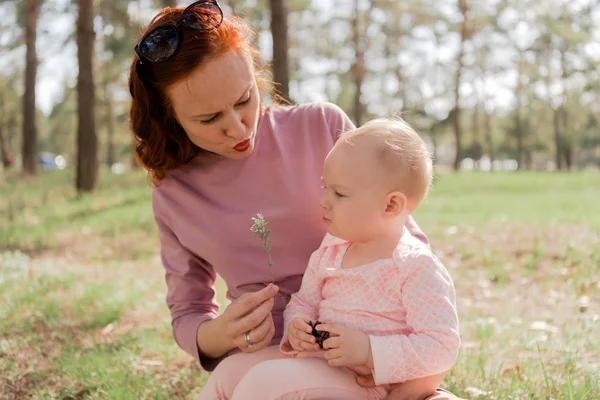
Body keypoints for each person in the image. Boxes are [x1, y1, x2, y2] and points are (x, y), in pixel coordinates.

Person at [128, 1, 463, 399]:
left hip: (368, 349)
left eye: (243, 99)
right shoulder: (174, 192)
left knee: (260, 387)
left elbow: (405, 245)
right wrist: (220, 334)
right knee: (230, 379)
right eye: (209, 119)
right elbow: (187, 312)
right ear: (170, 118)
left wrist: (408, 374)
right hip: (282, 352)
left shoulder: (323, 127)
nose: (237, 127)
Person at [198, 119, 460, 400]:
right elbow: (304, 302)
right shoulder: (332, 249)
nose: (324, 200)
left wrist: (370, 351)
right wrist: (298, 325)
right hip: (318, 362)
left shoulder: (414, 266)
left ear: (391, 205)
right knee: (229, 372)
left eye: (340, 193)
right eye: (326, 188)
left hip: (369, 381)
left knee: (263, 384)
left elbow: (440, 346)